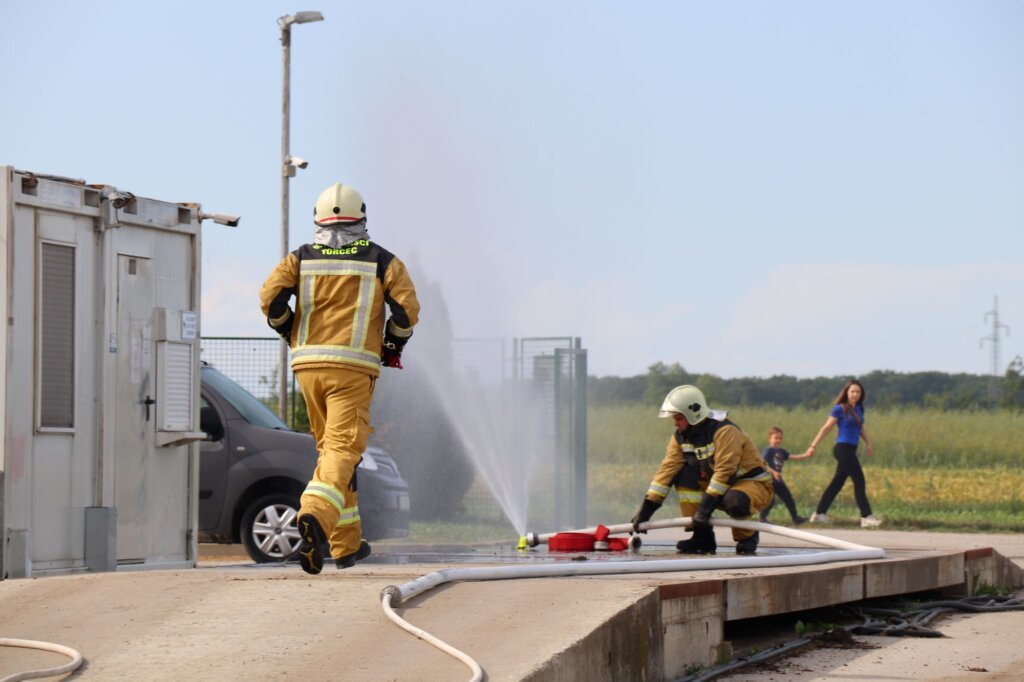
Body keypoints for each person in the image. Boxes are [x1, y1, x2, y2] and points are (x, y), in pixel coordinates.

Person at [260, 182, 420, 574]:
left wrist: (289, 330)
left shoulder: (298, 259)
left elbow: (270, 298)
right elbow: (407, 312)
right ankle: (313, 513)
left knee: (332, 453)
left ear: (318, 220)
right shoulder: (383, 261)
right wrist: (392, 347)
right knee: (344, 450)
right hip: (351, 371)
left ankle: (344, 545)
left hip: (308, 367)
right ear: (361, 219)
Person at [631, 385, 774, 555]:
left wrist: (703, 511)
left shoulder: (725, 431)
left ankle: (747, 537)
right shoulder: (680, 437)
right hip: (720, 489)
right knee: (683, 474)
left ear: (693, 414)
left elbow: (724, 472)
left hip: (753, 485)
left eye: (678, 418)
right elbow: (667, 471)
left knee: (735, 501)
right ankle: (702, 537)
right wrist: (646, 510)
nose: (675, 423)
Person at [802, 378, 882, 528]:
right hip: (842, 449)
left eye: (858, 392)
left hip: (851, 449)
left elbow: (860, 428)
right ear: (847, 392)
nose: (855, 394)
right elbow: (826, 428)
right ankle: (866, 517)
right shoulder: (839, 409)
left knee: (837, 483)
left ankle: (819, 514)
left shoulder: (860, 409)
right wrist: (813, 446)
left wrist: (868, 443)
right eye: (852, 391)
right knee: (859, 479)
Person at [758, 426, 810, 525]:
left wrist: (805, 455)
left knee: (788, 498)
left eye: (780, 438)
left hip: (778, 480)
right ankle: (762, 519)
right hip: (769, 479)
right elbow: (762, 464)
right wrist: (773, 472)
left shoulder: (781, 451)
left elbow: (792, 457)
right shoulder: (768, 451)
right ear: (770, 439)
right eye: (776, 438)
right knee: (770, 500)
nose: (778, 440)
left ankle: (795, 518)